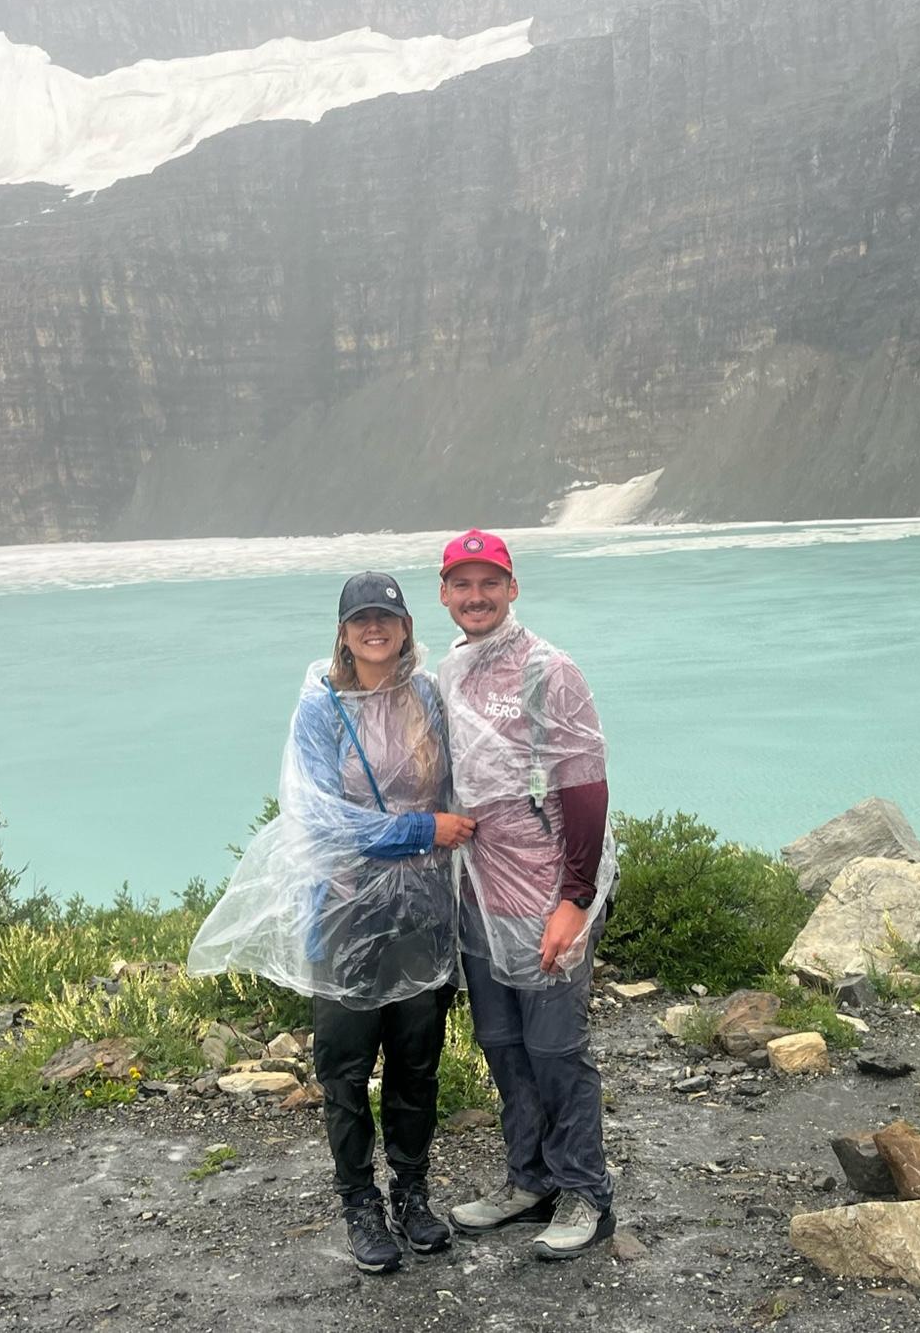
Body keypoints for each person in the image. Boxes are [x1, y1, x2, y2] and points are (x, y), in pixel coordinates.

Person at [188, 571, 475, 1275]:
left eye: (387, 616)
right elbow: (313, 820)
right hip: (346, 913)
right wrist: (419, 831)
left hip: (423, 914)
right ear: (343, 633)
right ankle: (359, 1205)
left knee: (417, 1066)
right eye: (360, 619)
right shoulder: (322, 707)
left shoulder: (429, 697)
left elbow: (468, 787)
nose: (374, 628)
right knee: (345, 1070)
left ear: (406, 627)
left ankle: (411, 1194)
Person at [436, 530, 618, 1260]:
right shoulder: (448, 672)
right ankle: (530, 1177)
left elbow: (584, 785)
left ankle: (586, 1193)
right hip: (479, 892)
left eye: (490, 582)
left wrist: (573, 900)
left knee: (555, 1049)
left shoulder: (549, 670)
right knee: (502, 1044)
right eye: (461, 584)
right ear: (444, 594)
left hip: (546, 891)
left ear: (513, 588)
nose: (475, 597)